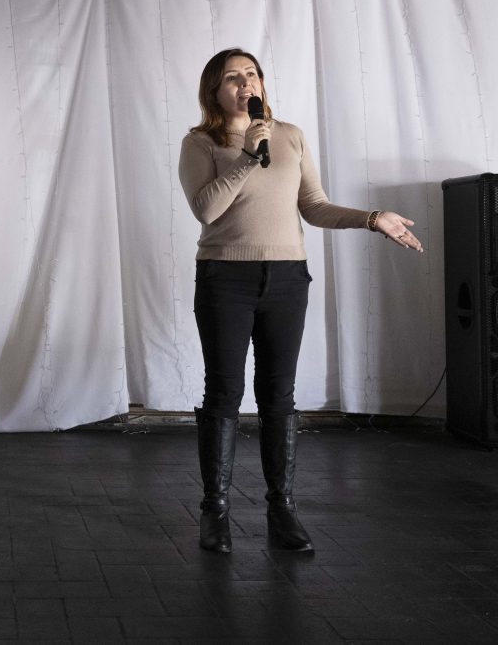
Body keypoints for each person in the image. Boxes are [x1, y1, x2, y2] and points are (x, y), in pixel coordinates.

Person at [178, 48, 422, 554]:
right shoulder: (201, 141)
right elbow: (207, 210)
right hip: (225, 278)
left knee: (278, 395)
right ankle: (215, 511)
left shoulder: (290, 136)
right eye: (232, 77)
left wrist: (372, 218)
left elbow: (314, 206)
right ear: (214, 90)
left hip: (288, 278)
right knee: (224, 392)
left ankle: (282, 509)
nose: (245, 83)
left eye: (252, 74)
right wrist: (248, 156)